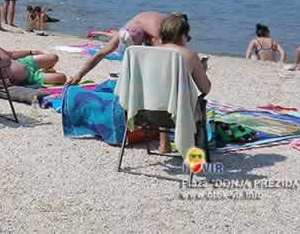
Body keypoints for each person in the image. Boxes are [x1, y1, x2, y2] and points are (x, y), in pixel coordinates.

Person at [154, 13, 212, 152]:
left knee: (164, 93)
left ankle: (164, 144)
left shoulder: (147, 53)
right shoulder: (188, 55)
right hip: (178, 114)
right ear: (182, 35)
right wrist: (201, 70)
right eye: (188, 37)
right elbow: (206, 88)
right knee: (187, 100)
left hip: (147, 111)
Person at [68, 12, 170, 84]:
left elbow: (100, 54)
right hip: (139, 32)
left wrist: (79, 75)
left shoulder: (130, 29)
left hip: (131, 31)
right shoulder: (158, 28)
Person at [0, 38, 66, 86]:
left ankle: (45, 70)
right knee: (62, 78)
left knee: (54, 57)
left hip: (25, 62)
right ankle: (43, 72)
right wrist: (7, 82)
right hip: (30, 77)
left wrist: (30, 52)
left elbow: (12, 54)